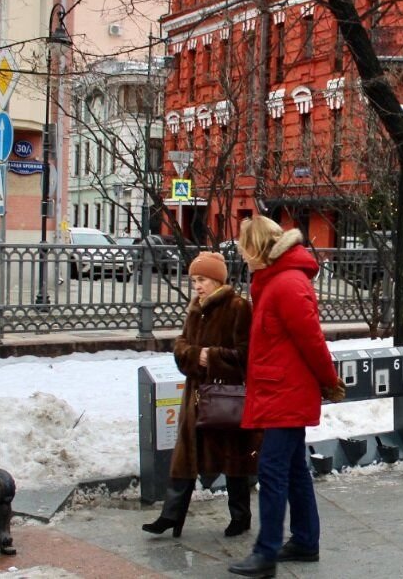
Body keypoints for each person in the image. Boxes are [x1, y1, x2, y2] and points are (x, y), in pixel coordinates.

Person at [229, 218, 345, 578]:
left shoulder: (287, 284)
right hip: (280, 389)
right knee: (294, 469)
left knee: (273, 470)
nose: (243, 257)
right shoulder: (277, 280)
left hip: (286, 393)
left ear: (258, 247)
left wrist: (330, 381)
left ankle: (266, 553)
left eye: (245, 249)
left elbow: (312, 340)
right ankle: (306, 541)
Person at [143, 252, 258, 539]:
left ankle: (240, 517)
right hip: (194, 397)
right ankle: (171, 516)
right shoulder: (196, 307)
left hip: (224, 397)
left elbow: (247, 355)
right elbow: (181, 346)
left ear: (218, 280)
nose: (197, 285)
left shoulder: (238, 307)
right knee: (185, 457)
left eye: (203, 279)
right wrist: (196, 356)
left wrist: (214, 357)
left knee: (233, 459)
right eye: (194, 280)